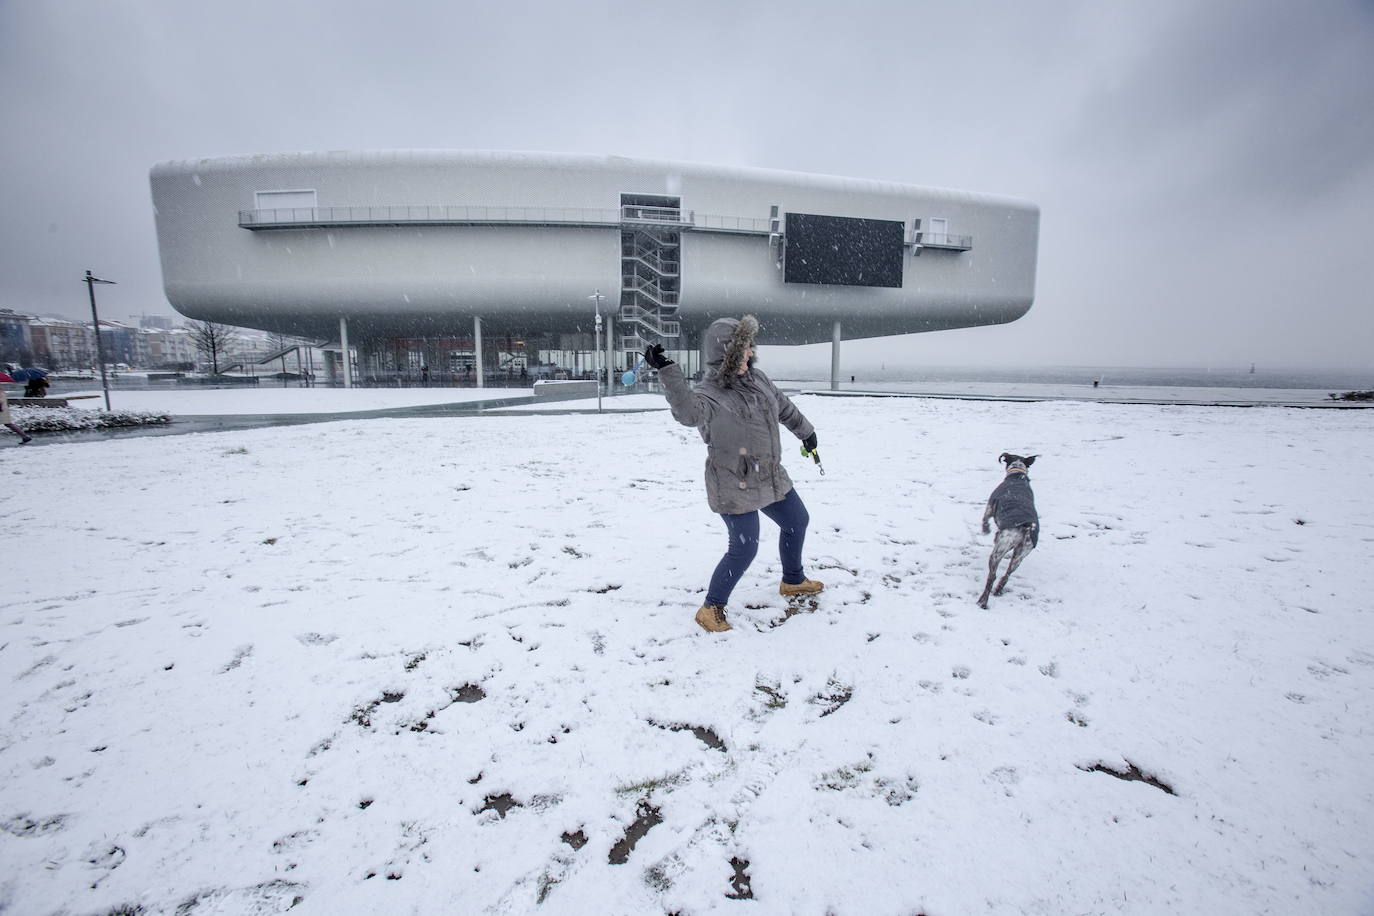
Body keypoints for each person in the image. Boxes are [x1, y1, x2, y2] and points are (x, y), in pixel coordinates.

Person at [646, 315, 823, 633]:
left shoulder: (760, 380)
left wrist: (806, 433)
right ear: (724, 355)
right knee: (745, 547)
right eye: (741, 349)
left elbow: (784, 407)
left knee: (796, 521)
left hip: (769, 475)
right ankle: (711, 609)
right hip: (733, 482)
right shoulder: (709, 395)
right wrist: (668, 372)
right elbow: (687, 413)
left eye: (749, 347)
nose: (748, 353)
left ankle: (793, 580)